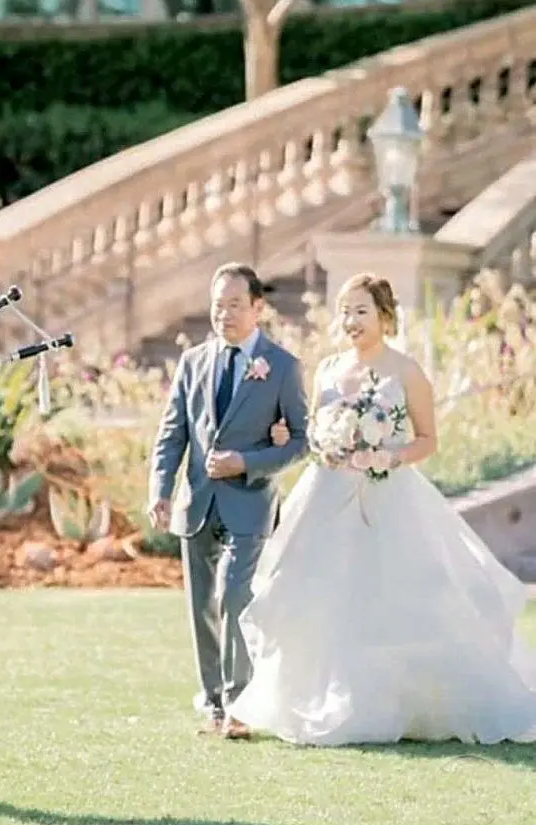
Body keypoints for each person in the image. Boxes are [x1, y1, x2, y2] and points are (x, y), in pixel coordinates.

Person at [228, 272, 536, 746]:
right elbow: (315, 429)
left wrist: (388, 456)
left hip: (389, 496)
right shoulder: (328, 368)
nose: (350, 321)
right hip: (328, 494)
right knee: (319, 594)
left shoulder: (406, 371)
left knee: (396, 594)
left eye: (361, 311)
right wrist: (324, 446)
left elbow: (428, 440)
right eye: (345, 312)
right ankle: (323, 698)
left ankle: (404, 703)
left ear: (384, 315)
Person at [147, 262, 308, 738]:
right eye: (219, 305)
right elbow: (172, 432)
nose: (225, 314)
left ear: (258, 308)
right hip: (196, 502)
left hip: (250, 503)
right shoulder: (193, 361)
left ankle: (242, 703)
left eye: (236, 305)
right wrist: (159, 490)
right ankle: (213, 703)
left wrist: (249, 462)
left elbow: (301, 440)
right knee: (201, 606)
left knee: (235, 596)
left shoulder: (282, 367)